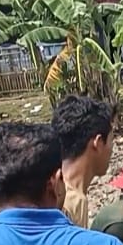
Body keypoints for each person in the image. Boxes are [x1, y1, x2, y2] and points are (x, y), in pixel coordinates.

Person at [51, 95, 116, 227]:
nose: (112, 148)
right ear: (97, 143)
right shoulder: (70, 201)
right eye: (111, 140)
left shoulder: (57, 191)